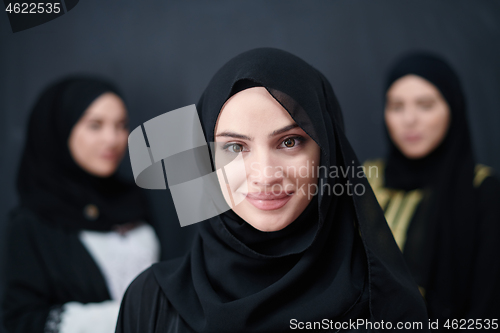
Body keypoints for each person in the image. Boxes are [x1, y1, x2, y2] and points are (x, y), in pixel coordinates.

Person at [116, 48, 429, 333]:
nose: (266, 175)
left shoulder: (383, 307)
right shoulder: (150, 300)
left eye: (289, 142)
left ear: (329, 150)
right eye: (235, 146)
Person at [2, 77, 161, 333]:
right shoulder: (31, 222)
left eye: (121, 125)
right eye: (95, 125)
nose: (113, 138)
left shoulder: (134, 200)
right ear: (61, 128)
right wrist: (131, 315)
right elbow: (21, 320)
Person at [364, 53, 500, 323]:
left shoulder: (483, 191)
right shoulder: (367, 178)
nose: (409, 119)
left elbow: (487, 309)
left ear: (452, 108)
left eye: (425, 105)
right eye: (396, 106)